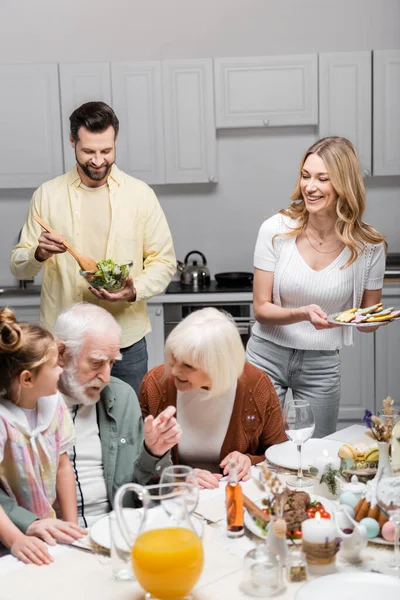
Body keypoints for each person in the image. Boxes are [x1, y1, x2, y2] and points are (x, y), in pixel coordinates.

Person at [10, 101, 176, 395]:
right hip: (63, 345)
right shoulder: (47, 196)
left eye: (106, 151)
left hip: (125, 342)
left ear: (115, 142)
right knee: (61, 429)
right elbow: (17, 265)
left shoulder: (140, 195)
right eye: (88, 151)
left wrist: (133, 289)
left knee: (125, 430)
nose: (98, 160)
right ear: (72, 142)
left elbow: (164, 262)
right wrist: (38, 253)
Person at [246, 136, 386, 438]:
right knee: (258, 448)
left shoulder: (370, 247)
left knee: (316, 455)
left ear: (344, 184)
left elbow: (366, 322)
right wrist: (302, 313)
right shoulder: (275, 230)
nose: (310, 186)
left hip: (321, 366)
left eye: (323, 179)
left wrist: (373, 319)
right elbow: (261, 308)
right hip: (265, 356)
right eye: (306, 176)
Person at [139, 307, 286, 489]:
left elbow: (280, 455)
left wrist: (249, 460)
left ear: (218, 366)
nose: (174, 371)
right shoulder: (155, 384)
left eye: (188, 365)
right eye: (173, 359)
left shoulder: (256, 386)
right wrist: (177, 477)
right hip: (178, 501)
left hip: (235, 498)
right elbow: (138, 466)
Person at [0, 308, 85, 555]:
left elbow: (62, 467)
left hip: (45, 527)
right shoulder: (3, 422)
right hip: (9, 532)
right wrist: (15, 539)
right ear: (27, 379)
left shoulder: (55, 405)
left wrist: (72, 528)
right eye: (53, 365)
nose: (61, 369)